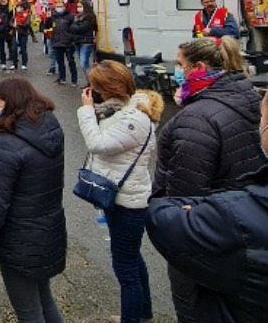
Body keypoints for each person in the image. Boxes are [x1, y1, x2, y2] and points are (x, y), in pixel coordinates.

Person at [156, 37, 264, 323]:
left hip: (205, 237)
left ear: (199, 67)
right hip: (243, 225)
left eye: (180, 65)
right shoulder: (247, 96)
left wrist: (170, 223)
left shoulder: (196, 118)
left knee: (195, 308)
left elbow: (184, 196)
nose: (177, 71)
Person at [77, 62, 163, 323]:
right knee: (133, 258)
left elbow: (97, 144)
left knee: (125, 268)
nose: (91, 91)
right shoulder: (123, 111)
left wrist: (87, 111)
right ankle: (142, 312)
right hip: (121, 197)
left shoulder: (133, 119)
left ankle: (131, 318)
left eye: (96, 86)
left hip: (129, 203)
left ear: (107, 88)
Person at [0, 78, 66, 323]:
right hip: (48, 230)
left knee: (28, 311)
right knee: (44, 299)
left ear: (10, 103)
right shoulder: (49, 129)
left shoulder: (7, 145)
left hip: (19, 239)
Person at [51, 0, 78, 86]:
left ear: (64, 7)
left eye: (61, 6)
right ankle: (62, 78)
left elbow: (74, 29)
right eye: (57, 6)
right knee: (60, 62)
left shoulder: (70, 16)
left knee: (71, 61)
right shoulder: (53, 16)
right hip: (57, 42)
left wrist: (72, 39)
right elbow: (48, 27)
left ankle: (74, 79)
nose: (59, 8)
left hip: (68, 42)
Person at [71, 2, 98, 75]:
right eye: (77, 6)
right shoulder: (77, 17)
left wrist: (74, 26)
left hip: (86, 42)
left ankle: (93, 80)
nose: (78, 8)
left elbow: (81, 28)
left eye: (80, 6)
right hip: (78, 41)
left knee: (84, 63)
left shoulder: (90, 17)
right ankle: (90, 82)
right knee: (82, 64)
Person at [10, 2, 32, 71]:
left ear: (23, 8)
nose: (18, 9)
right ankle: (14, 63)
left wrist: (18, 25)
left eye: (20, 7)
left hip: (23, 34)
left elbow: (27, 24)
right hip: (15, 33)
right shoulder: (14, 15)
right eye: (17, 7)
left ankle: (24, 64)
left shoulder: (27, 15)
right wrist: (13, 25)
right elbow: (10, 22)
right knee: (14, 49)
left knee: (23, 49)